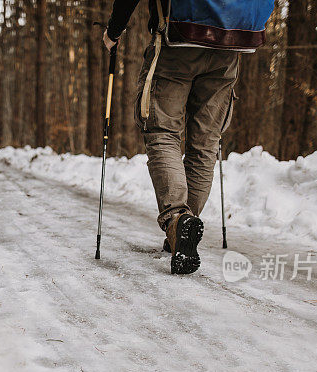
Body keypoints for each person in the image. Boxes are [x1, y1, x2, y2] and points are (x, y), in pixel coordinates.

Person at [103, 0, 275, 274]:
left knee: (162, 132)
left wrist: (114, 31)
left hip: (178, 42)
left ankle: (177, 220)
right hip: (230, 45)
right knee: (206, 142)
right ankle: (182, 230)